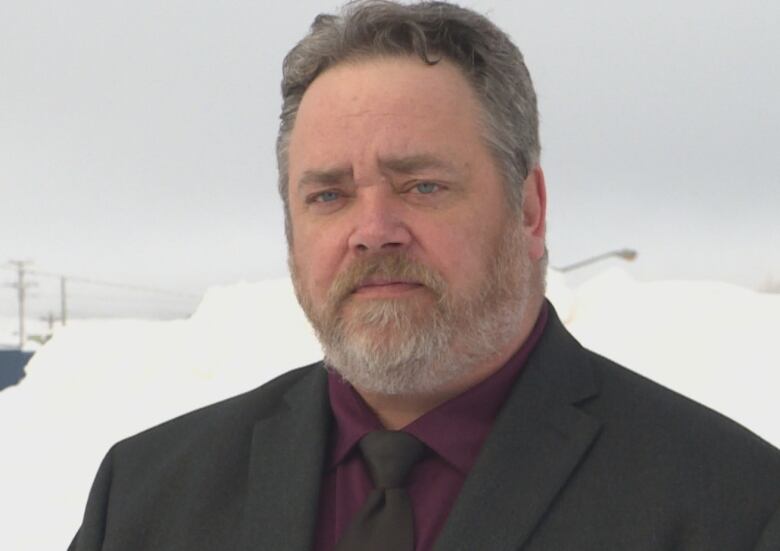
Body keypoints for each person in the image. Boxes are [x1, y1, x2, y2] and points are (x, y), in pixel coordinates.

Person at [70, 1, 780, 550]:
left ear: (529, 211)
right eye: (329, 195)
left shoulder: (735, 505)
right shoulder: (145, 495)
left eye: (422, 186)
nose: (373, 230)